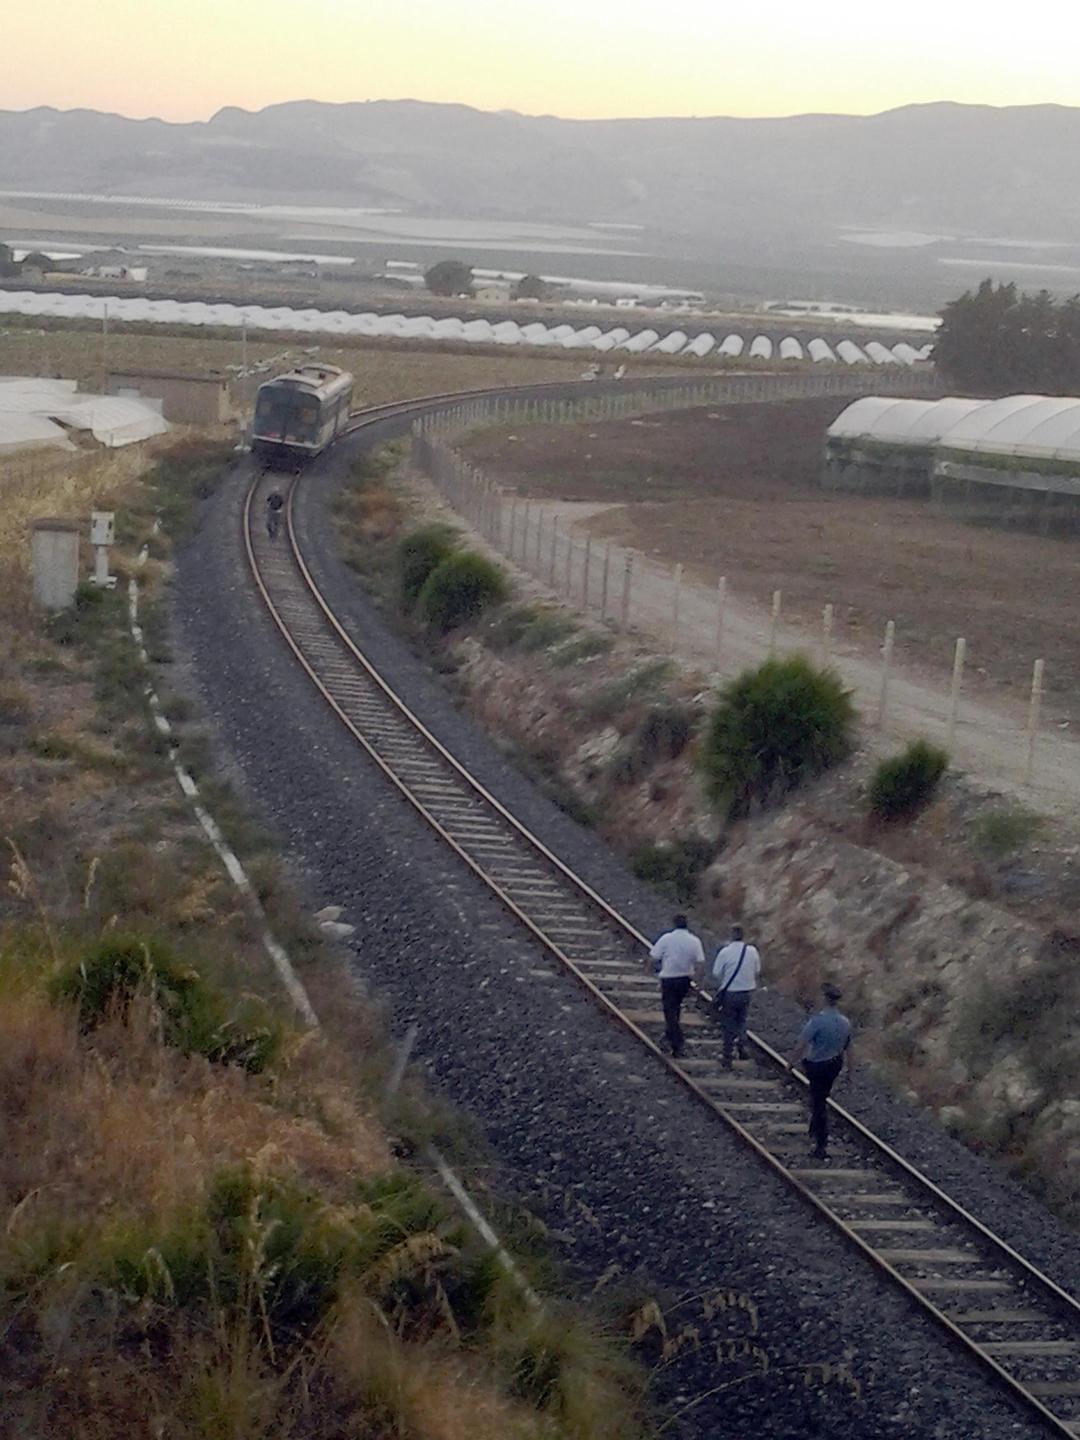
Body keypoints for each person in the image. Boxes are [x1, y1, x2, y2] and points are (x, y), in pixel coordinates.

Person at [788, 983, 853, 1160]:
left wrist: (791, 1063)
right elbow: (848, 1048)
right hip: (834, 1065)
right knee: (821, 1096)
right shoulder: (845, 1022)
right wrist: (850, 1070)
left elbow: (801, 1043)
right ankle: (814, 1128)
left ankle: (821, 1143)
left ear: (825, 999)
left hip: (816, 1065)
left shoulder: (817, 1021)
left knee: (818, 1102)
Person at [648, 914, 705, 1059]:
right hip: (684, 979)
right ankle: (669, 1037)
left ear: (673, 924)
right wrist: (697, 981)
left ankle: (677, 1042)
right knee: (676, 1007)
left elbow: (654, 956)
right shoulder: (694, 941)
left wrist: (652, 970)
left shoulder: (667, 938)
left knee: (669, 1010)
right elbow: (700, 962)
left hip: (668, 978)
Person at [712, 924, 761, 1069]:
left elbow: (716, 973)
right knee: (741, 1020)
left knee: (728, 1023)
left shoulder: (725, 952)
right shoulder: (752, 951)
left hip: (730, 993)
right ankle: (742, 1046)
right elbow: (757, 970)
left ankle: (727, 1055)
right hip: (746, 992)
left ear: (731, 935)